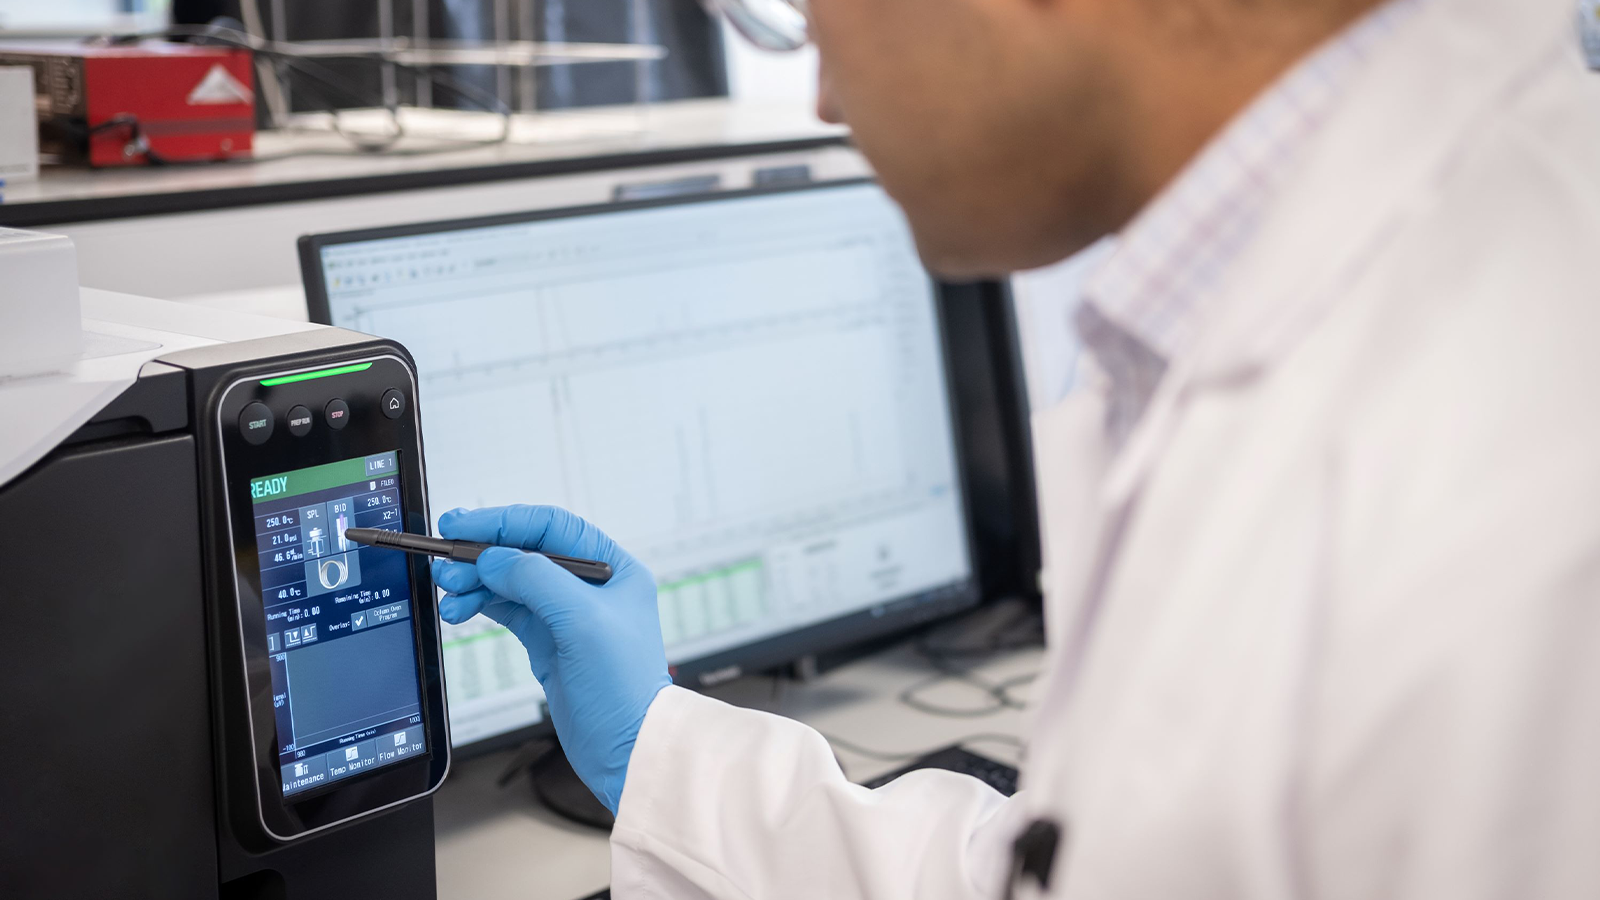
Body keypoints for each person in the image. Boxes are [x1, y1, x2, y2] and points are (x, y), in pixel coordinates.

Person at [430, 0, 1600, 895]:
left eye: (815, 13)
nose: (826, 95)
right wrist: (657, 756)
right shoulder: (1291, 306)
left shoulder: (1510, 461)